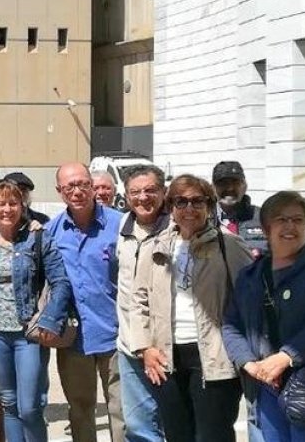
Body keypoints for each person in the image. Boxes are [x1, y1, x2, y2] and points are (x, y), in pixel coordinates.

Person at [130, 174, 253, 442]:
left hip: (214, 356)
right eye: (181, 202)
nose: (189, 209)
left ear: (209, 205)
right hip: (167, 359)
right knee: (177, 435)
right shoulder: (155, 246)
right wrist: (145, 348)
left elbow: (251, 297)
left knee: (212, 435)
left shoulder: (228, 245)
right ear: (170, 206)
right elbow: (138, 300)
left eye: (198, 202)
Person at [222, 190, 305, 442]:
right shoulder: (250, 276)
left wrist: (285, 358)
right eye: (281, 219)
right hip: (265, 386)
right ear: (266, 227)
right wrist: (248, 363)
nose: (290, 226)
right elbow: (230, 324)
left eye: (298, 220)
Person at [0, 180, 72, 442]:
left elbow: (61, 281)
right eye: (0, 203)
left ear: (22, 205)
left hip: (29, 331)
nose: (7, 209)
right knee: (8, 401)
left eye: (12, 203)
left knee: (30, 406)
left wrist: (50, 321)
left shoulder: (37, 237)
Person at [44, 162, 124, 442]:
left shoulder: (120, 224)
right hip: (73, 339)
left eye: (82, 184)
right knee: (80, 411)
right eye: (69, 187)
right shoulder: (50, 231)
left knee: (121, 412)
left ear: (92, 185)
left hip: (116, 335)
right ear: (60, 191)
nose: (77, 191)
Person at [115, 166, 170, 442]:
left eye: (150, 190)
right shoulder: (122, 227)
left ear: (163, 192)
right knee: (138, 426)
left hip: (167, 347)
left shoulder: (178, 228)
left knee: (173, 422)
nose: (143, 197)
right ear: (126, 196)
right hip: (129, 345)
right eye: (135, 192)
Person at [211, 161, 267, 255]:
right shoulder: (202, 220)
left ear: (245, 186)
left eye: (235, 182)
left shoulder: (264, 217)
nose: (230, 188)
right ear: (213, 188)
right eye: (223, 183)